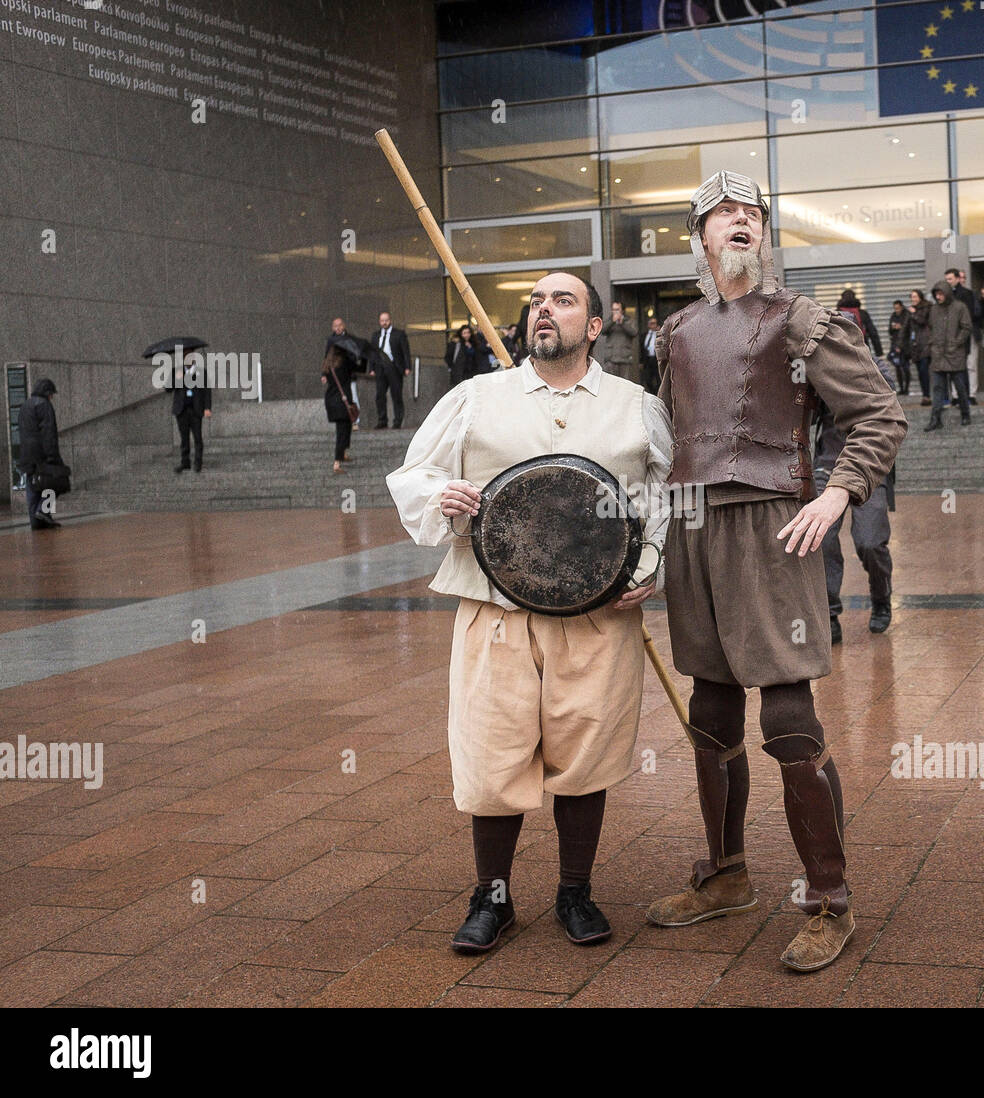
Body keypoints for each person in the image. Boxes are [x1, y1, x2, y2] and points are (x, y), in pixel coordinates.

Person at [646, 170, 906, 972]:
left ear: (763, 232)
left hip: (775, 527)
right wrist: (642, 546)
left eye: (751, 213)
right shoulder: (677, 330)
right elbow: (660, 444)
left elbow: (879, 415)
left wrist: (837, 492)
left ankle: (829, 899)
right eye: (724, 212)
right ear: (699, 236)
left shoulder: (801, 319)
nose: (741, 221)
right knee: (711, 710)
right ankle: (726, 876)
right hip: (692, 525)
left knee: (788, 717)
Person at [387, 272, 670, 955]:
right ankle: (493, 898)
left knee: (587, 755)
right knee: (491, 756)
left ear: (594, 327)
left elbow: (663, 494)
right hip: (495, 610)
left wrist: (650, 565)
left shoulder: (637, 407)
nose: (544, 309)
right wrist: (444, 497)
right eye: (536, 301)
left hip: (598, 614)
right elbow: (414, 474)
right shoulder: (475, 398)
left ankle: (575, 892)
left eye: (563, 301)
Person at [814, 392, 894, 644]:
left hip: (868, 466)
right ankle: (829, 612)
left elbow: (889, 418)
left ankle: (881, 597)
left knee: (870, 542)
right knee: (820, 537)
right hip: (827, 465)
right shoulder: (819, 373)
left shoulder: (878, 374)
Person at [924, 280, 972, 430]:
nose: (938, 297)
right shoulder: (934, 309)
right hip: (938, 354)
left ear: (947, 293)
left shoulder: (960, 307)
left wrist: (956, 342)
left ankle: (965, 414)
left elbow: (966, 327)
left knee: (960, 387)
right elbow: (930, 327)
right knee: (937, 388)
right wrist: (931, 343)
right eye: (936, 294)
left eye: (940, 294)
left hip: (954, 354)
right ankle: (935, 418)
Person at [17, 378, 63, 530]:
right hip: (41, 453)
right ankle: (44, 512)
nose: (52, 397)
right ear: (47, 392)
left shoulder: (25, 405)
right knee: (54, 482)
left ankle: (36, 523)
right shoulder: (44, 405)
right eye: (51, 394)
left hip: (26, 454)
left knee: (33, 486)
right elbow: (49, 432)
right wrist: (52, 456)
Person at [167, 350, 212, 474]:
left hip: (195, 409)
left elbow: (207, 391)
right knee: (184, 438)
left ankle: (198, 462)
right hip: (181, 410)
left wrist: (207, 408)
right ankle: (185, 462)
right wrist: (177, 379)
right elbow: (167, 388)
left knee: (198, 437)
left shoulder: (201, 372)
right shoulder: (176, 371)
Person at [322, 344, 361, 474]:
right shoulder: (345, 363)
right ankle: (337, 462)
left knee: (346, 426)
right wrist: (361, 356)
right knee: (342, 431)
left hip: (331, 400)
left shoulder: (328, 365)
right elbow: (360, 368)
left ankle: (343, 453)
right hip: (342, 401)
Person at [370, 310, 411, 429]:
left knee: (396, 395)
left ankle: (397, 420)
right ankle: (382, 420)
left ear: (390, 320)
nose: (384, 323)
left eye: (386, 320)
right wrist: (371, 368)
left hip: (394, 368)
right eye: (382, 321)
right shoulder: (375, 335)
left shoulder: (399, 334)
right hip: (380, 368)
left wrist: (407, 367)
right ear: (379, 322)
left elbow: (405, 351)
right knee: (380, 395)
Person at [945, 268, 979, 403]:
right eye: (946, 279)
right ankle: (956, 395)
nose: (948, 282)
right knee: (954, 365)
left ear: (958, 279)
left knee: (971, 365)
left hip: (967, 334)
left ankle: (971, 394)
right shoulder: (946, 295)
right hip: (952, 335)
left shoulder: (968, 294)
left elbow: (971, 315)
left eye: (950, 279)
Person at [597, 301, 637, 381]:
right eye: (613, 309)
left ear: (622, 310)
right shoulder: (609, 320)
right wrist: (612, 321)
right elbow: (602, 331)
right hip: (611, 358)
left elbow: (634, 332)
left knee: (624, 383)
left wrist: (622, 323)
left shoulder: (629, 320)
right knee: (611, 383)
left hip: (624, 358)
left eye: (617, 309)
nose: (615, 312)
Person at [836, 289, 884, 357]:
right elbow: (873, 333)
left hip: (842, 350)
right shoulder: (862, 313)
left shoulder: (836, 313)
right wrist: (879, 352)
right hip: (862, 349)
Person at [905, 288, 932, 405]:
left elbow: (922, 321)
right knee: (920, 372)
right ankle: (925, 395)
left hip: (925, 344)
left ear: (920, 297)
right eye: (912, 297)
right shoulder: (911, 310)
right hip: (915, 346)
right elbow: (906, 328)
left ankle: (927, 395)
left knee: (924, 370)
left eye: (915, 296)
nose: (913, 299)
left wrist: (913, 313)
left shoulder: (927, 307)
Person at [887, 300, 910, 395]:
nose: (896, 310)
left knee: (905, 367)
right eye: (895, 308)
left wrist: (900, 327)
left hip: (905, 345)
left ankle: (906, 388)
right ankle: (901, 388)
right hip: (895, 344)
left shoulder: (906, 315)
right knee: (897, 367)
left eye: (898, 308)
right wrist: (893, 328)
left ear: (901, 307)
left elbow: (907, 329)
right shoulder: (893, 316)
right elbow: (889, 330)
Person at [641, 316, 662, 393]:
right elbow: (642, 348)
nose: (652, 325)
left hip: (657, 359)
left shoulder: (659, 334)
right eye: (651, 323)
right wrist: (641, 361)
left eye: (654, 323)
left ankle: (657, 393)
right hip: (648, 360)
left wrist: (660, 332)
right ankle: (653, 392)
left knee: (658, 379)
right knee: (648, 379)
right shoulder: (645, 335)